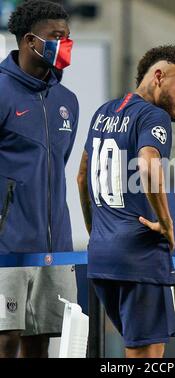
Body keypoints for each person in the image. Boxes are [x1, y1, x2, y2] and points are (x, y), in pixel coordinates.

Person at [78, 45, 175, 358]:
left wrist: (97, 233)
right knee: (146, 355)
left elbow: (81, 177)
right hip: (139, 258)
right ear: (158, 76)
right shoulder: (153, 115)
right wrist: (168, 223)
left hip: (102, 258)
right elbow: (148, 165)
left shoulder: (104, 111)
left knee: (134, 348)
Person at [0, 0, 78, 358]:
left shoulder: (67, 100)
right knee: (5, 338)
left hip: (55, 243)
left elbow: (57, 164)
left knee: (42, 339)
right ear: (30, 41)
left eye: (67, 36)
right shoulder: (1, 91)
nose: (65, 44)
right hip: (7, 243)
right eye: (57, 37)